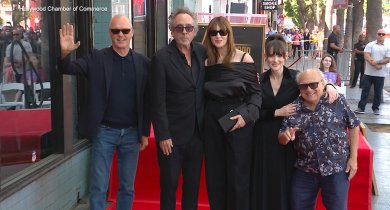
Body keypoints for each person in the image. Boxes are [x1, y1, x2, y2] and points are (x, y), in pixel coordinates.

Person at [57, 15, 151, 210]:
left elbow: (147, 100)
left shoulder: (143, 63)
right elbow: (67, 69)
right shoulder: (97, 57)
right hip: (104, 132)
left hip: (132, 133)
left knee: (127, 186)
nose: (121, 35)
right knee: (99, 185)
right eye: (116, 31)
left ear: (132, 32)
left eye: (125, 30)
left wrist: (144, 131)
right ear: (109, 33)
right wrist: (65, 54)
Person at [250, 35, 339, 210]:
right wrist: (276, 112)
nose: (275, 60)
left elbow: (316, 84)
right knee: (264, 179)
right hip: (262, 136)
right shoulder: (259, 80)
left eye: (279, 55)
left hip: (287, 138)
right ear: (265, 57)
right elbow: (252, 110)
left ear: (285, 55)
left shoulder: (295, 78)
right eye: (271, 56)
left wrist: (330, 86)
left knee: (284, 180)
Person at [278, 69, 360, 210]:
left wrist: (353, 158)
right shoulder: (293, 108)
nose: (309, 89)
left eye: (313, 84)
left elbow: (354, 125)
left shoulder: (337, 100)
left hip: (336, 169)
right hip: (306, 169)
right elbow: (281, 137)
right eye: (303, 86)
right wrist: (285, 136)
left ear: (323, 83)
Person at [150, 7, 205, 210]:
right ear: (172, 31)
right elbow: (157, 100)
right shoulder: (161, 58)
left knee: (192, 186)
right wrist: (162, 135)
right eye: (179, 27)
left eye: (188, 27)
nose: (184, 31)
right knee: (169, 186)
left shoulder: (201, 51)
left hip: (198, 135)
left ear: (194, 30)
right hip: (171, 137)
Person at [203, 16, 261, 210]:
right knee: (214, 173)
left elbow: (256, 94)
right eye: (213, 32)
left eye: (222, 32)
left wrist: (247, 115)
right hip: (211, 118)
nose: (218, 36)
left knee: (238, 175)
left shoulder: (245, 59)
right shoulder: (206, 62)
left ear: (229, 34)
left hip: (238, 118)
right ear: (209, 35)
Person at [354, 29, 390, 115]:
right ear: (376, 34)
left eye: (383, 34)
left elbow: (388, 59)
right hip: (368, 73)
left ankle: (376, 108)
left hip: (380, 74)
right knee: (365, 91)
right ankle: (361, 107)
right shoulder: (370, 45)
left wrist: (377, 62)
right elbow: (366, 56)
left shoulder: (388, 46)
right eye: (379, 34)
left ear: (385, 36)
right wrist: (375, 65)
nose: (381, 35)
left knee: (378, 92)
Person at [4, 29, 33, 110]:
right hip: (17, 70)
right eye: (14, 35)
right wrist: (18, 63)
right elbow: (9, 58)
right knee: (20, 88)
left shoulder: (26, 44)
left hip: (27, 70)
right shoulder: (10, 46)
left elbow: (27, 56)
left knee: (25, 87)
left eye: (17, 34)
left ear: (21, 35)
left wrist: (19, 62)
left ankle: (19, 104)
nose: (15, 36)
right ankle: (20, 104)